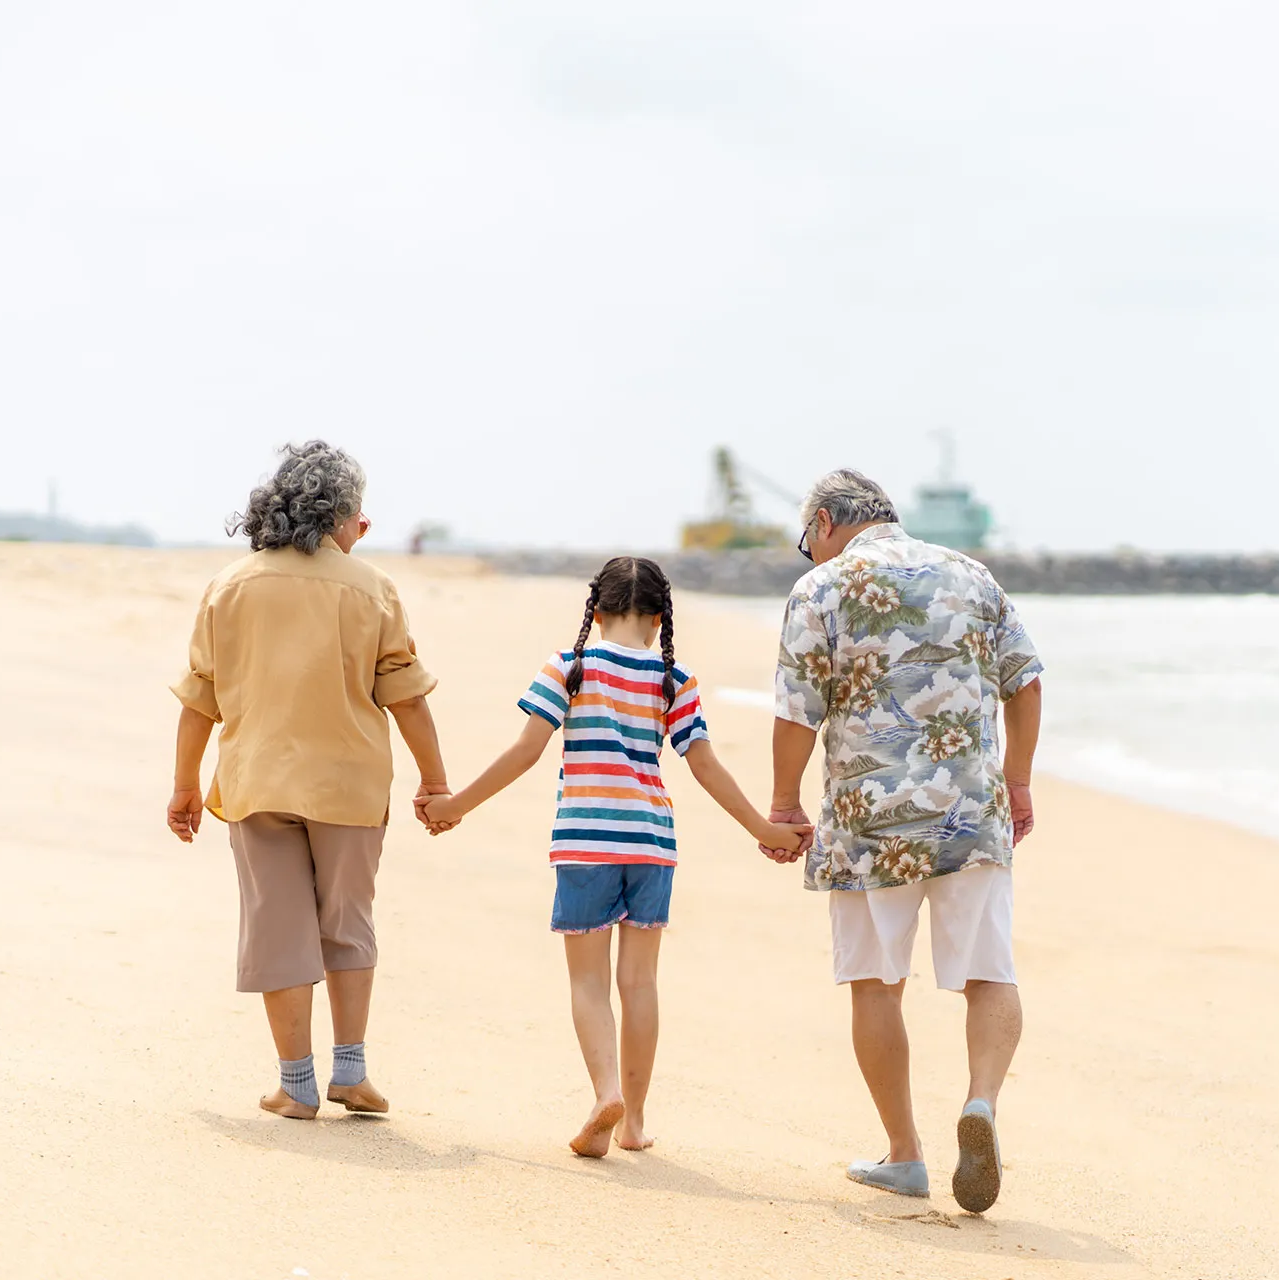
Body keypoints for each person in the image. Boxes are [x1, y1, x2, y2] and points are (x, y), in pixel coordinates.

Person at [419, 557, 811, 1157]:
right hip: (652, 844)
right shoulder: (673, 680)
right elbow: (704, 765)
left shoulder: (570, 667)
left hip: (585, 842)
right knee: (640, 983)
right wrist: (764, 828)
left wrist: (457, 805)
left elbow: (526, 751)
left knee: (588, 981)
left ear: (596, 612)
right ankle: (633, 1124)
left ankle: (606, 1091)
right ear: (658, 620)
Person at [763, 469, 1044, 1214]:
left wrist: (785, 803)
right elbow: (1027, 682)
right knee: (989, 970)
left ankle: (905, 1155)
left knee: (876, 982)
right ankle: (980, 1103)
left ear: (824, 521)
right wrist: (1016, 784)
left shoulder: (822, 589)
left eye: (806, 542)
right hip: (970, 813)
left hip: (869, 821)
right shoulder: (972, 575)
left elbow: (798, 711)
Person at [167, 441, 455, 1120]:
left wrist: (184, 784)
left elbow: (199, 697)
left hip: (256, 781)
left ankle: (296, 1084)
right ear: (340, 514)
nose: (367, 524)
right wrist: (435, 782)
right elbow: (407, 696)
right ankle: (350, 1071)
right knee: (347, 923)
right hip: (349, 786)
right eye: (359, 511)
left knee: (279, 926)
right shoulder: (372, 588)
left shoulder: (231, 585)